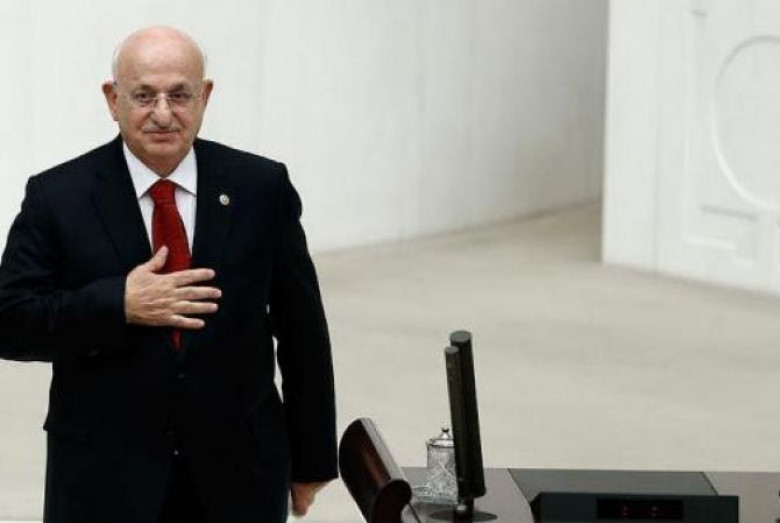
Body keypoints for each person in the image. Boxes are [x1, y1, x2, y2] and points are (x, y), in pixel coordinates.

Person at [0, 26, 336, 523]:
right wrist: (118, 304)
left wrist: (311, 461)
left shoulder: (261, 188)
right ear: (112, 99)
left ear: (205, 97)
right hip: (104, 483)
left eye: (179, 95)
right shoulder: (58, 197)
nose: (162, 113)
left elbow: (302, 330)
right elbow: (11, 321)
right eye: (144, 96)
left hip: (237, 478)